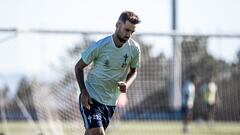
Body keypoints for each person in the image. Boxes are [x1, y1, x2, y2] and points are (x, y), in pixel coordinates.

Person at [75, 11, 141, 135]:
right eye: (127, 30)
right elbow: (78, 67)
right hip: (91, 96)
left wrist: (126, 84)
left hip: (110, 101)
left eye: (132, 32)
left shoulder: (134, 49)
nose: (129, 35)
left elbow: (134, 71)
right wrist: (83, 91)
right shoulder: (100, 45)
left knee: (91, 133)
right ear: (117, 25)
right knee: (98, 132)